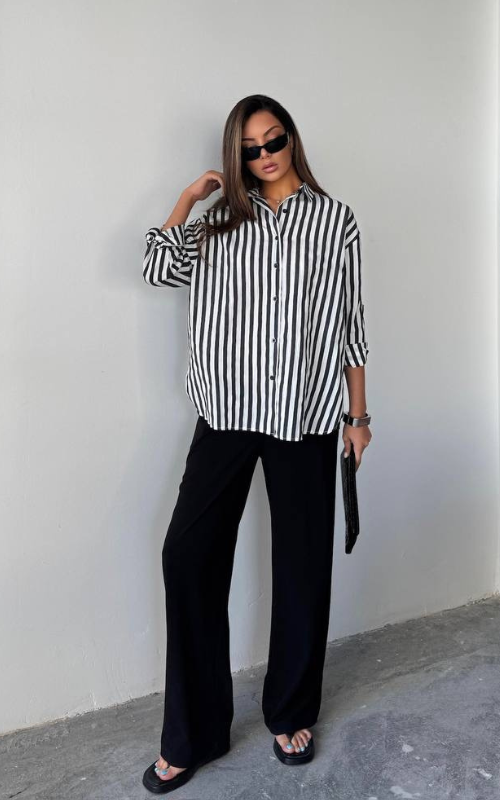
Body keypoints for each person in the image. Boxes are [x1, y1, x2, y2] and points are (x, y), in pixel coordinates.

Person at [141, 94, 372, 794]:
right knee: (187, 555)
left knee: (302, 567)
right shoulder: (219, 223)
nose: (265, 155)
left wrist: (359, 417)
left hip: (304, 412)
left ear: (291, 139)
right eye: (249, 148)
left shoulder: (335, 221)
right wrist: (188, 198)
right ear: (235, 155)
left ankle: (291, 712)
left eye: (274, 140)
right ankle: (194, 733)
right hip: (228, 411)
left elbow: (351, 327)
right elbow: (158, 269)